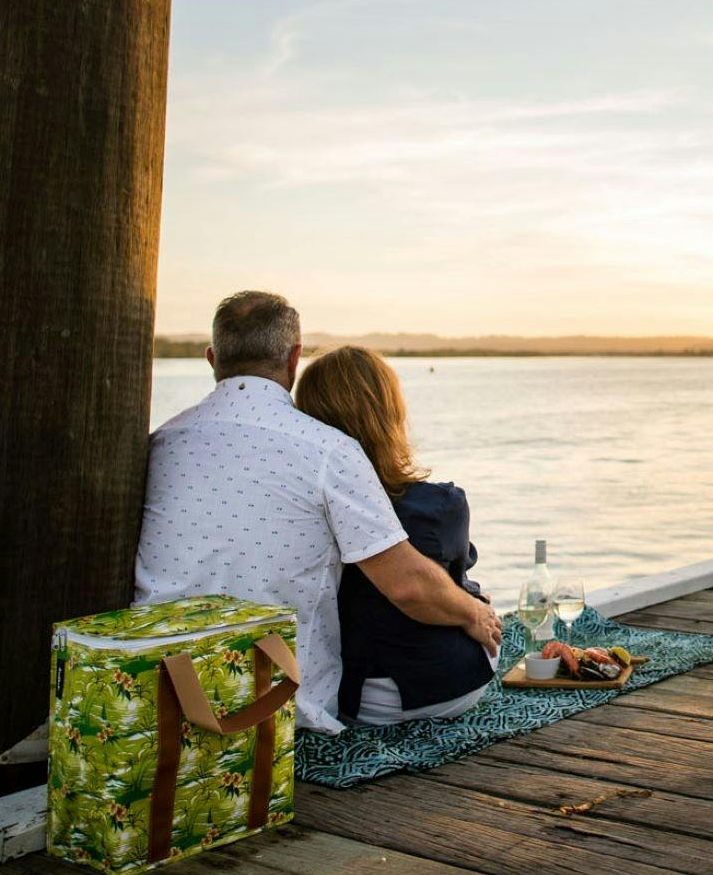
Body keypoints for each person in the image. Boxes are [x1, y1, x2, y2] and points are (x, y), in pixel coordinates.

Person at [133, 292, 500, 733]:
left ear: (211, 358)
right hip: (276, 708)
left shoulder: (161, 442)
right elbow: (407, 585)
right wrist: (475, 612)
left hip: (161, 695)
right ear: (293, 359)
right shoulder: (329, 450)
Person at [295, 345, 499, 725]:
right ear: (390, 414)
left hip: (351, 696)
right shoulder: (440, 504)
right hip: (447, 688)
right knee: (473, 593)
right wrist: (476, 605)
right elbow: (429, 585)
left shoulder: (304, 513)